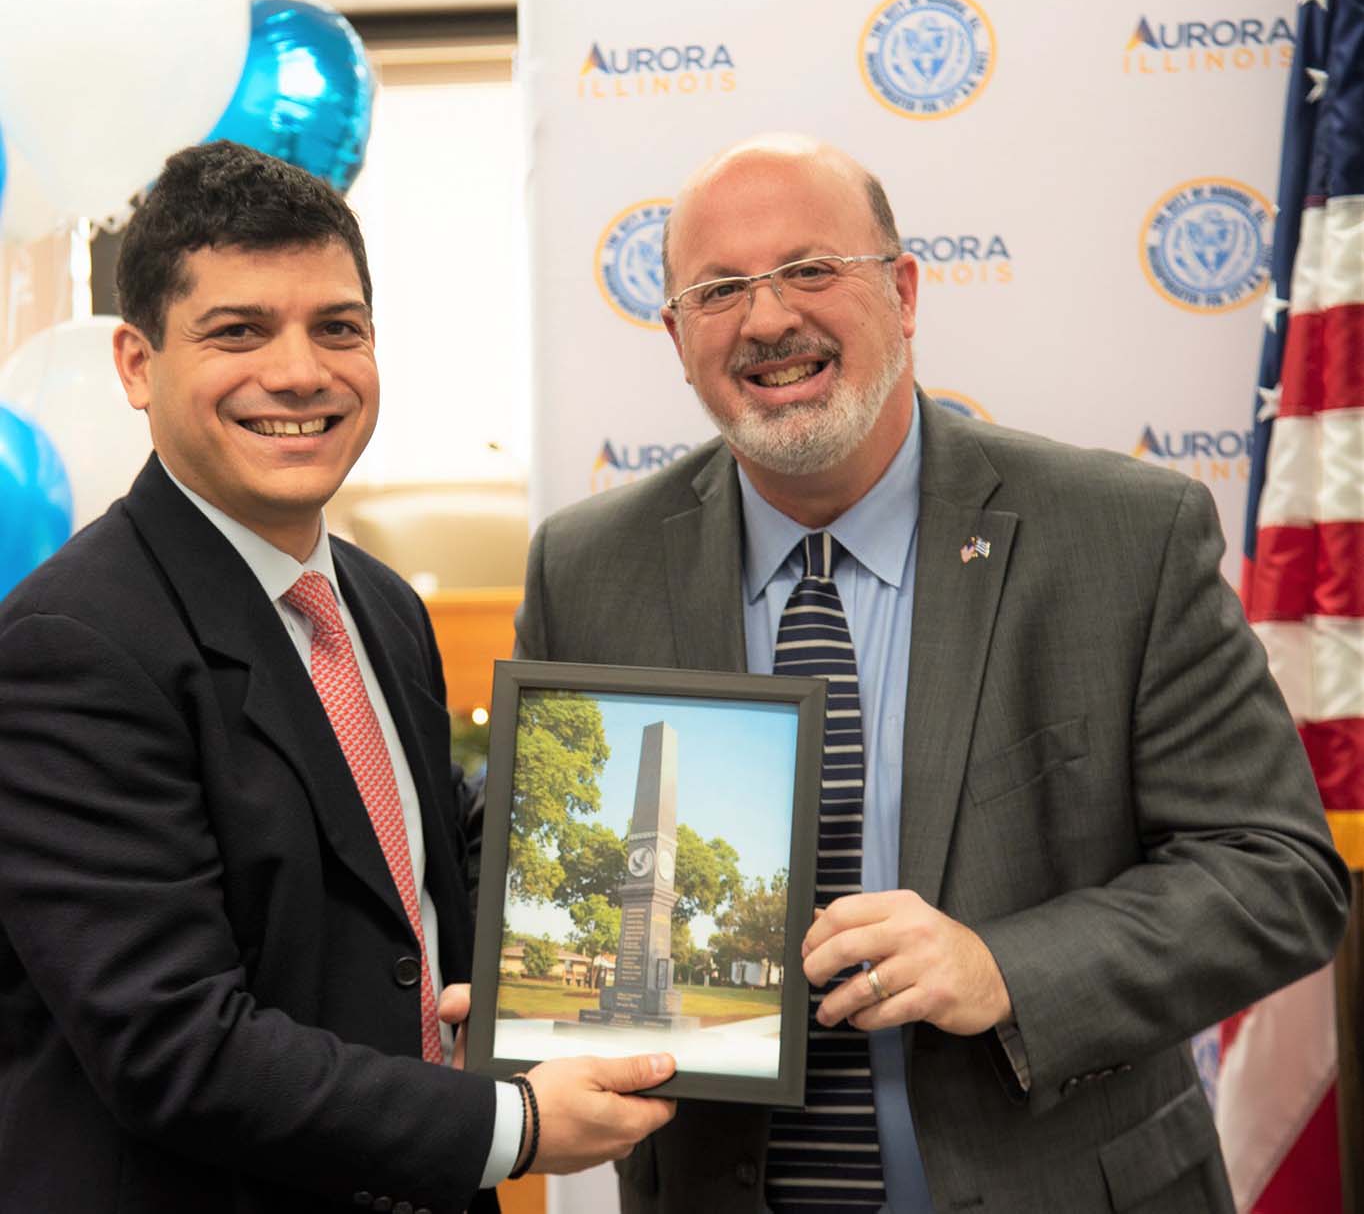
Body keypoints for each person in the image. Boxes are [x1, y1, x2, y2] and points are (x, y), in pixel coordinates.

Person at [513, 132, 1351, 1213]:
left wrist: (1006, 969)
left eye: (812, 270)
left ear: (903, 293)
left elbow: (1274, 874)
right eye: (718, 290)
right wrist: (515, 992)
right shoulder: (586, 568)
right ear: (676, 336)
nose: (768, 319)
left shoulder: (1120, 538)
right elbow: (557, 868)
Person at [0, 141, 675, 1214]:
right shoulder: (70, 644)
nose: (301, 372)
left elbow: (408, 856)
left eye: (337, 327)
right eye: (237, 331)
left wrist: (658, 853)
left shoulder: (377, 602)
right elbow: (175, 1047)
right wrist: (520, 1125)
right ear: (136, 364)